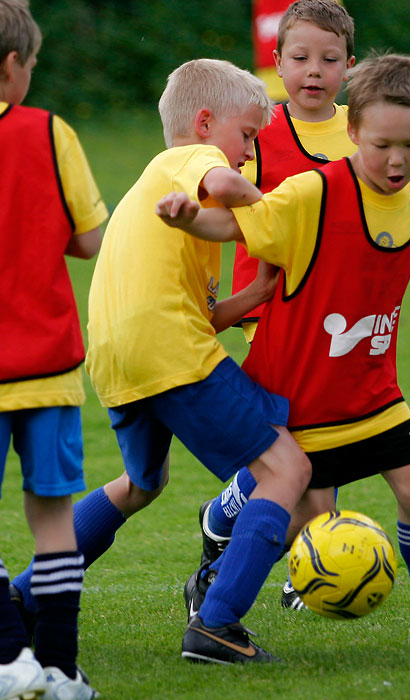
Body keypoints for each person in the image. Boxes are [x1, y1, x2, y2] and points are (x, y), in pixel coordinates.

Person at [156, 52, 410, 648]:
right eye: (382, 145)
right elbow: (239, 225)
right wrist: (190, 217)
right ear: (352, 131)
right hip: (301, 396)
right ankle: (215, 588)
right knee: (304, 516)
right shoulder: (313, 194)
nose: (397, 159)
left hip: (372, 391)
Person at [11, 57, 314, 666]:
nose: (249, 153)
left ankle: (19, 598)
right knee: (288, 468)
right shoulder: (188, 159)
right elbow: (228, 189)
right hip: (165, 346)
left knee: (142, 484)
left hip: (118, 356)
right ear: (204, 123)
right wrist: (286, 212)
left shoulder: (159, 192)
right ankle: (218, 623)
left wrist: (252, 297)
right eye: (248, 136)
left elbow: (198, 310)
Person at [193, 0, 356, 614]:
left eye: (329, 59)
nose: (314, 71)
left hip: (340, 309)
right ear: (277, 63)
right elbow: (230, 209)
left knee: (326, 430)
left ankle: (302, 554)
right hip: (273, 311)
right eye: (300, 58)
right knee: (298, 437)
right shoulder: (262, 132)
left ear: (349, 66)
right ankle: (233, 515)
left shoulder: (359, 131)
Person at [0, 0, 107, 697]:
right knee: (53, 518)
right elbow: (91, 238)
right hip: (47, 366)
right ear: (13, 65)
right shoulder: (48, 132)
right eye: (32, 66)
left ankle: (10, 660)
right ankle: (61, 669)